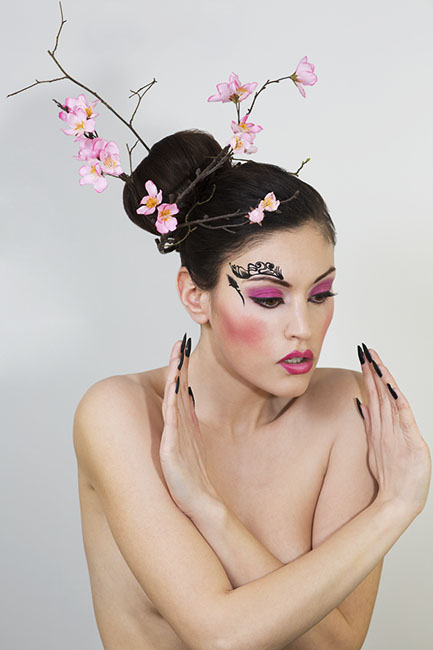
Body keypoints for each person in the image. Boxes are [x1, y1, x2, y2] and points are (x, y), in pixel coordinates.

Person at [73, 129, 431, 650]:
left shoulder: (344, 410)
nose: (303, 329)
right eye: (268, 298)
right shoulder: (120, 415)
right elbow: (219, 635)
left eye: (320, 294)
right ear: (195, 296)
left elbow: (336, 645)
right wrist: (393, 508)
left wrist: (208, 509)